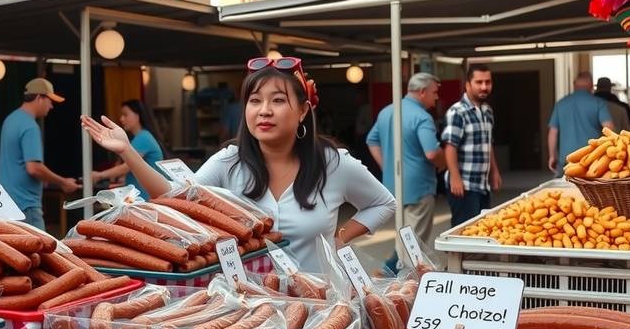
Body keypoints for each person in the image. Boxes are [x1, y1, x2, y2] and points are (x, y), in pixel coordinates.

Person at [81, 56, 396, 271]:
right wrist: (128, 152)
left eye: (278, 100)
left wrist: (340, 237)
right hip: (248, 311)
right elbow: (174, 198)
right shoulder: (229, 162)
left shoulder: (333, 163)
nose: (264, 111)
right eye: (255, 101)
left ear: (302, 111)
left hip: (319, 305)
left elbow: (383, 203)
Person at [367, 73, 446, 273]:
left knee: (404, 238)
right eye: (434, 93)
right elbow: (431, 152)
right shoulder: (422, 117)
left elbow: (371, 140)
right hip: (420, 187)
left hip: (393, 186)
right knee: (414, 244)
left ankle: (391, 272)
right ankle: (409, 286)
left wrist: (387, 167)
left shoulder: (387, 112)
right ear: (422, 92)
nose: (436, 98)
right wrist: (444, 162)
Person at [0, 78, 80, 230]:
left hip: (6, 202)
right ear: (39, 98)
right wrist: (62, 182)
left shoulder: (10, 119)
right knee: (39, 251)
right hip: (25, 205)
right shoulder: (30, 126)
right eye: (50, 100)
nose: (51, 106)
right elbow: (33, 168)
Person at [442, 64, 501, 227]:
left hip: (482, 184)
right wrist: (455, 178)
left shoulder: (487, 110)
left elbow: (488, 143)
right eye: (479, 82)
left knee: (482, 229)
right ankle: (460, 255)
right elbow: (450, 146)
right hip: (464, 185)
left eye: (488, 82)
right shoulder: (457, 112)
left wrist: (494, 171)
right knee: (464, 233)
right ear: (468, 84)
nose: (484, 86)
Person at [91, 99, 166, 199]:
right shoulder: (142, 137)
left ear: (137, 115)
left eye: (125, 115)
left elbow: (127, 166)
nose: (121, 119)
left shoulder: (143, 137)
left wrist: (99, 175)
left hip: (145, 198)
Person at [548, 73, 614, 177]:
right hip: (591, 159)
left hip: (567, 160)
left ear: (574, 85)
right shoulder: (598, 103)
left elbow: (553, 133)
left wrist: (552, 156)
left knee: (565, 192)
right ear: (592, 86)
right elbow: (609, 129)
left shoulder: (561, 104)